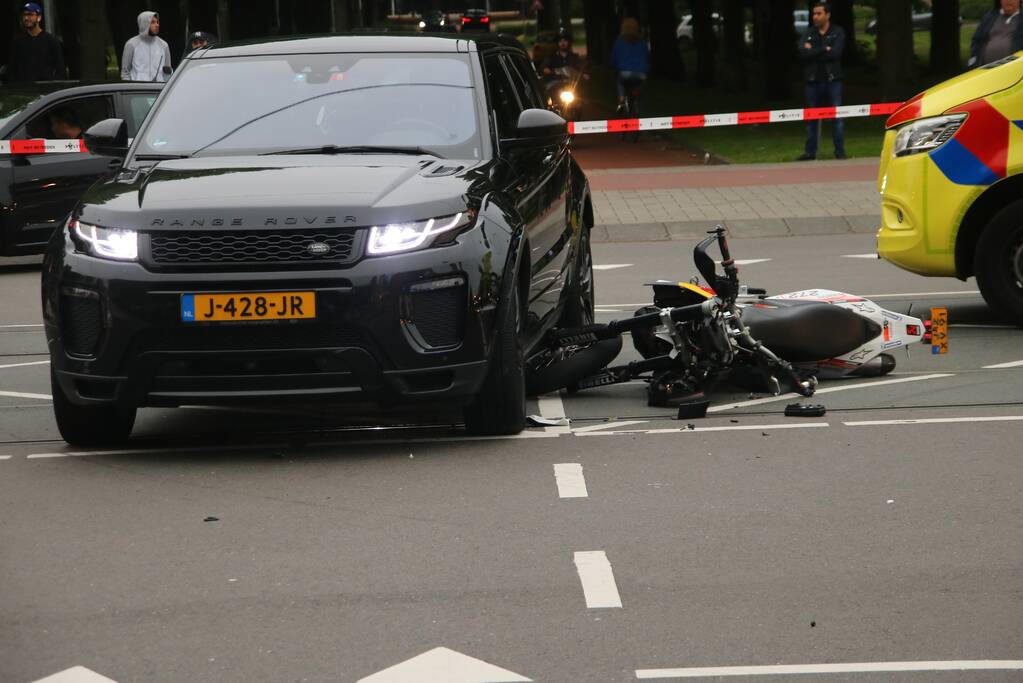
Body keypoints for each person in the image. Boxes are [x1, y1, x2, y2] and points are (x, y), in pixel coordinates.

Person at [797, 1, 846, 160]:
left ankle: (840, 152)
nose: (815, 17)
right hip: (813, 81)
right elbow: (803, 54)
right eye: (814, 14)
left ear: (827, 15)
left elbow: (836, 54)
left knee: (837, 118)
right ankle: (810, 152)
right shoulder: (809, 32)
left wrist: (814, 51)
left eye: (819, 14)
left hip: (833, 81)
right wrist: (824, 49)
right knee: (812, 118)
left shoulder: (837, 32)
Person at [4, 2, 65, 83]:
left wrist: (53, 86)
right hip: (23, 91)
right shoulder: (17, 42)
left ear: (39, 17)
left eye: (30, 14)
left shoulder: (51, 40)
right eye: (24, 15)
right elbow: (11, 70)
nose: (26, 18)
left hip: (45, 91)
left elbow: (60, 69)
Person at [610, 17, 649, 113]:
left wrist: (614, 67)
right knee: (638, 87)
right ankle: (636, 100)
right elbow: (647, 56)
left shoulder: (619, 41)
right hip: (641, 73)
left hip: (624, 73)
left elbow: (614, 58)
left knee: (620, 81)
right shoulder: (642, 42)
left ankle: (622, 99)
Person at [121, 11, 172, 82]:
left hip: (158, 90)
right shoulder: (131, 44)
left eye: (157, 22)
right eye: (153, 22)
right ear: (144, 23)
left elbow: (168, 72)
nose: (157, 25)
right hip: (138, 90)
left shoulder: (164, 45)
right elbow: (125, 72)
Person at [969, 0, 1022, 68]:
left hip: (1013, 71)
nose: (1009, 1)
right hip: (985, 70)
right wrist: (973, 61)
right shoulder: (990, 17)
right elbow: (976, 40)